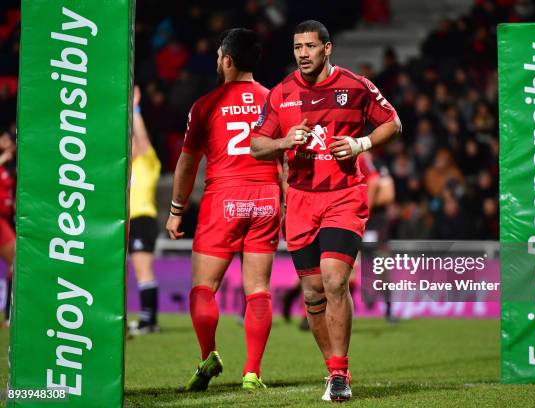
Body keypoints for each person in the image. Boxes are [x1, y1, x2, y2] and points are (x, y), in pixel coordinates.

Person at [251, 20, 401, 402]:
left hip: (343, 196)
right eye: (297, 46)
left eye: (310, 46)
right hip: (300, 200)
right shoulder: (282, 92)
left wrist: (359, 144)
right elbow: (256, 145)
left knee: (335, 281)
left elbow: (393, 123)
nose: (302, 53)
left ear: (328, 48)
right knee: (313, 292)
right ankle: (332, 369)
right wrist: (284, 140)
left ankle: (339, 372)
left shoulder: (355, 86)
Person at [166, 28, 279, 391]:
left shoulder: (205, 104)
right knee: (258, 290)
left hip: (224, 200)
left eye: (218, 57)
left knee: (203, 289)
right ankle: (252, 373)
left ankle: (209, 356)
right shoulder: (273, 100)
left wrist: (176, 209)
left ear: (228, 60)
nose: (217, 62)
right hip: (265, 198)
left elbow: (187, 164)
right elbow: (286, 156)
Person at [128, 85, 162, 335]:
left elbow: (142, 138)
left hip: (143, 219)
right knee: (136, 270)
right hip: (128, 222)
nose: (131, 146)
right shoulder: (126, 169)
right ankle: (146, 320)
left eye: (133, 143)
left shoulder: (148, 162)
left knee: (143, 270)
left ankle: (149, 321)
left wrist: (135, 109)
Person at [0, 131, 15, 327]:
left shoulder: (11, 168)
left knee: (16, 264)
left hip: (6, 220)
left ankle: (9, 314)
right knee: (17, 261)